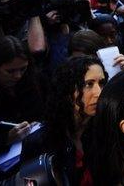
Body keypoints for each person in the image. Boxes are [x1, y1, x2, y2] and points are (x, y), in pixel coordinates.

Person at [21, 56, 107, 185]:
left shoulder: (105, 130)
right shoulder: (39, 142)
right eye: (88, 84)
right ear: (67, 91)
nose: (98, 92)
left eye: (101, 83)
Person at [0, 36, 46, 183]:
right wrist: (6, 139)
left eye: (23, 69)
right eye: (10, 71)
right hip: (2, 164)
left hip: (38, 151)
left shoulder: (35, 81)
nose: (18, 76)